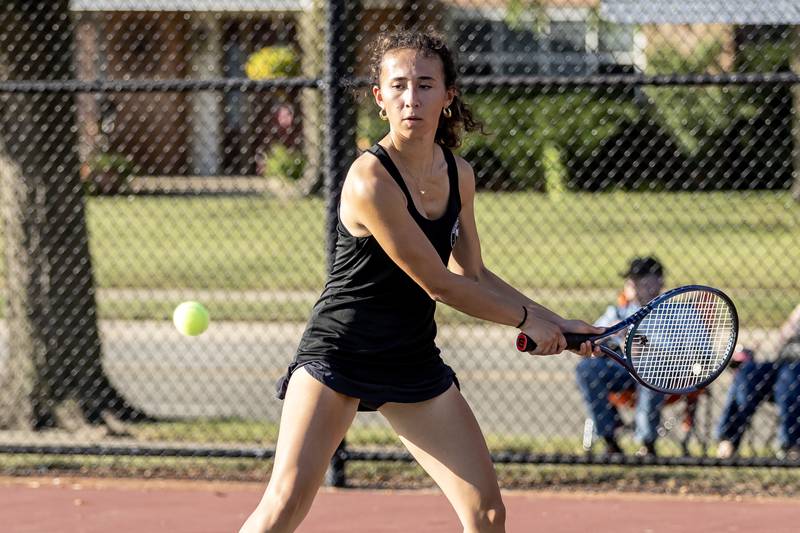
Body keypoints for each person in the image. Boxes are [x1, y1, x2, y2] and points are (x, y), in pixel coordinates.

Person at [239, 31, 601, 533]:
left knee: (487, 512)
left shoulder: (459, 174)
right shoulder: (370, 180)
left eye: (426, 85)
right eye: (399, 85)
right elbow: (439, 283)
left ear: (448, 95)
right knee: (284, 505)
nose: (412, 98)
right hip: (340, 352)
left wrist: (557, 323)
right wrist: (525, 321)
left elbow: (473, 273)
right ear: (380, 97)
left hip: (411, 358)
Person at [575, 256, 667, 457]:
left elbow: (682, 350)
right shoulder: (619, 311)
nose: (632, 285)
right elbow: (592, 337)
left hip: (658, 371)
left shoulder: (671, 313)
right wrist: (611, 333)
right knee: (586, 369)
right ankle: (610, 437)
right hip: (621, 368)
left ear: (659, 282)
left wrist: (641, 342)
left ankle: (647, 443)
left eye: (641, 280)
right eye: (632, 281)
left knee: (651, 369)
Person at [716, 303, 800, 460]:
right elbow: (783, 336)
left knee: (789, 377)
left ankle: (791, 444)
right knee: (748, 372)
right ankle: (728, 439)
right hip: (783, 363)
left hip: (793, 374)